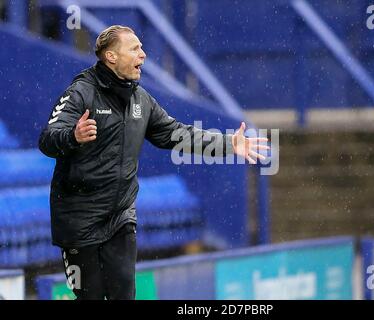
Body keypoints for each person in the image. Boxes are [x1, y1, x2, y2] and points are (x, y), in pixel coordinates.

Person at [38, 25, 269, 300]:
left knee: (124, 295)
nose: (143, 55)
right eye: (135, 49)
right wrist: (73, 136)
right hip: (79, 221)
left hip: (120, 217)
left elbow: (178, 134)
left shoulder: (141, 100)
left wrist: (228, 144)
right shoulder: (80, 93)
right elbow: (48, 139)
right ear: (111, 57)